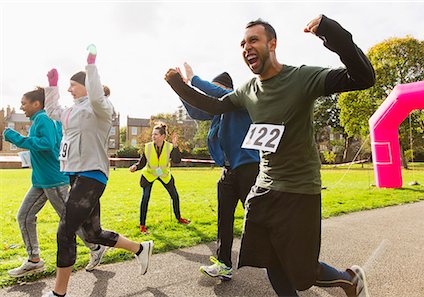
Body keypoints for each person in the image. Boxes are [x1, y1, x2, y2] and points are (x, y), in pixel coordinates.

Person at [165, 15, 375, 297]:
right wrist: (179, 85)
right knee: (271, 262)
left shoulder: (301, 78)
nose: (246, 47)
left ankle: (349, 279)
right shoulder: (247, 91)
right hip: (263, 188)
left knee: (302, 274)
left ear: (272, 43)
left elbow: (363, 77)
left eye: (253, 40)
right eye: (242, 43)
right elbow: (213, 106)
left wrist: (331, 32)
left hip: (299, 190)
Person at [42, 46, 153, 297]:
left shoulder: (101, 108)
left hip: (93, 175)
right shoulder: (71, 111)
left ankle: (59, 292)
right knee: (93, 232)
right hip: (76, 175)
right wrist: (53, 86)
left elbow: (95, 96)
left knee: (65, 230)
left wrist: (91, 66)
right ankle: (140, 248)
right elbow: (52, 111)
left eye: (73, 85)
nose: (70, 90)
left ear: (86, 85)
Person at [3, 88, 108, 278]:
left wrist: (16, 138)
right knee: (24, 216)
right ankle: (34, 259)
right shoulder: (41, 120)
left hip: (53, 180)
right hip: (41, 180)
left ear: (36, 104)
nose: (21, 106)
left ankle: (96, 246)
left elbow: (46, 144)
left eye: (24, 103)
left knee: (70, 222)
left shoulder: (43, 118)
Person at [176, 63, 259, 280]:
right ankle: (224, 264)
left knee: (259, 219)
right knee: (224, 219)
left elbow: (218, 93)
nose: (208, 96)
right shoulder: (218, 115)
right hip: (229, 171)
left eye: (211, 90)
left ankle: (285, 257)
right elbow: (195, 109)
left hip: (249, 168)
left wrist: (193, 79)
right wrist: (180, 88)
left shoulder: (238, 100)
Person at [129, 123, 189, 233]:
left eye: (156, 134)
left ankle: (179, 218)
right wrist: (135, 167)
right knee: (145, 197)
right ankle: (142, 225)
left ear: (162, 136)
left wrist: (175, 146)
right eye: (152, 134)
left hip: (164, 175)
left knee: (175, 196)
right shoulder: (147, 147)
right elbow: (142, 163)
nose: (153, 136)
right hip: (149, 174)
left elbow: (177, 160)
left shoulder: (170, 147)